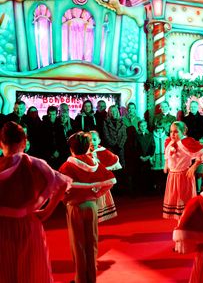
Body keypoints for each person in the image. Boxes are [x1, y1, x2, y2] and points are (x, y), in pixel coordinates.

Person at [0, 121, 71, 283]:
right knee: (33, 274)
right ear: (25, 142)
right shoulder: (34, 163)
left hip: (1, 227)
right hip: (28, 224)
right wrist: (46, 212)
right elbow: (62, 184)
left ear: (1, 143)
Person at [59, 131, 116, 283]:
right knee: (92, 243)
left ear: (72, 149)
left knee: (78, 244)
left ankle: (80, 279)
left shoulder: (67, 165)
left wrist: (66, 200)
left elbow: (59, 187)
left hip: (75, 207)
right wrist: (96, 194)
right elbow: (111, 180)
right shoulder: (94, 163)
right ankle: (91, 278)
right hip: (91, 206)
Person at [163, 121, 203, 219]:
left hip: (183, 175)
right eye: (171, 131)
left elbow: (201, 154)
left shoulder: (186, 142)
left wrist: (194, 167)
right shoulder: (169, 142)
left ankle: (185, 221)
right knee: (175, 200)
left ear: (183, 132)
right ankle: (179, 221)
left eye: (176, 132)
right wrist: (166, 164)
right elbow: (167, 155)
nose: (172, 134)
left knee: (183, 200)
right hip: (172, 176)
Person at [89, 130, 121, 222]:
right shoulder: (85, 152)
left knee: (100, 197)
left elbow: (113, 159)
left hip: (100, 181)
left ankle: (100, 214)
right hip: (89, 181)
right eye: (90, 140)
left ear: (99, 140)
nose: (92, 142)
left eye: (94, 139)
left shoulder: (102, 151)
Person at [134, 120, 155, 195]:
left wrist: (149, 156)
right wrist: (140, 156)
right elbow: (135, 147)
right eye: (141, 126)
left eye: (144, 126)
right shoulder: (136, 135)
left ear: (146, 126)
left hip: (148, 157)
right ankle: (141, 190)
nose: (143, 127)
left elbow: (153, 146)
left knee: (148, 174)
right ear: (138, 127)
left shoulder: (150, 135)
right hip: (140, 158)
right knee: (140, 174)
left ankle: (148, 190)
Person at [151, 122, 168, 194]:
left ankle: (164, 188)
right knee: (156, 173)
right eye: (158, 128)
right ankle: (157, 188)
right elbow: (151, 147)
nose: (159, 130)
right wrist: (151, 157)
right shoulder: (153, 136)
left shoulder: (166, 137)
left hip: (164, 157)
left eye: (161, 128)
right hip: (156, 156)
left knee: (164, 173)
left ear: (163, 129)